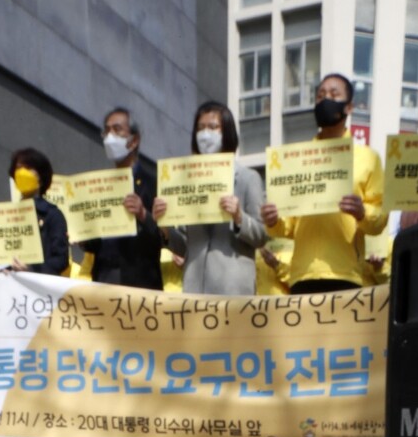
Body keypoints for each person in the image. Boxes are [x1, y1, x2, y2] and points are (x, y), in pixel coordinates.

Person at [261, 73, 386, 294]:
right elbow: (287, 227)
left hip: (347, 274)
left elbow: (379, 220)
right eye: (320, 96)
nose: (325, 99)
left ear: (349, 107)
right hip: (302, 274)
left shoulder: (368, 158)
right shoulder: (296, 160)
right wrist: (273, 221)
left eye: (333, 94)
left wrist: (362, 213)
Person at [152, 101, 266, 295]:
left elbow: (262, 235)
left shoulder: (248, 178)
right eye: (200, 128)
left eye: (213, 127)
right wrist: (164, 227)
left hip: (233, 289)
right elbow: (185, 246)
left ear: (227, 132)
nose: (205, 134)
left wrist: (239, 217)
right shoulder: (186, 181)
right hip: (195, 288)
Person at [76, 108, 163, 288]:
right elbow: (99, 243)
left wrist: (143, 215)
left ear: (134, 140)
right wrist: (84, 238)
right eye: (106, 131)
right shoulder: (101, 186)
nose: (110, 137)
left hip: (139, 286)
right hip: (104, 282)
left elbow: (162, 238)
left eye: (117, 130)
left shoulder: (152, 183)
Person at [7, 148, 70, 275]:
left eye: (28, 168)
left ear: (41, 176)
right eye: (18, 168)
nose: (22, 172)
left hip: (39, 289)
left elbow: (61, 259)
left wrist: (32, 270)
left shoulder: (52, 215)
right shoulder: (6, 215)